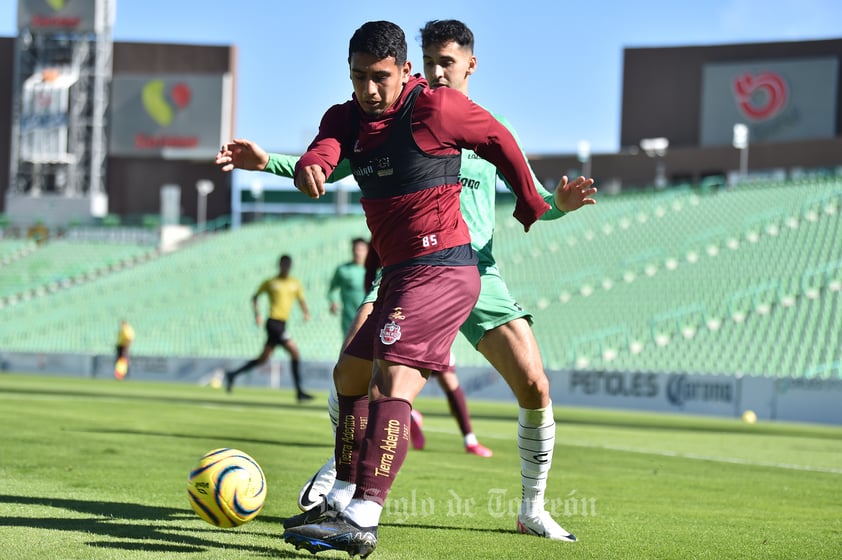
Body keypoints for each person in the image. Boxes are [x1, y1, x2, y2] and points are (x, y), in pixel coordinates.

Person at [216, 19, 595, 556]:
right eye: (358, 77)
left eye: (447, 62)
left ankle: (375, 510)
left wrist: (544, 206)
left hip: (459, 268)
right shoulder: (360, 116)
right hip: (399, 271)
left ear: (467, 65)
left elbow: (508, 155)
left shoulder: (445, 111)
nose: (369, 89)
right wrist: (301, 166)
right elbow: (329, 153)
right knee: (352, 370)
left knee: (454, 381)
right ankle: (345, 485)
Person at [225, 254, 314, 402]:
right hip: (273, 323)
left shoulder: (295, 283)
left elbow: (301, 300)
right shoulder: (271, 282)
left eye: (288, 265)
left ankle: (232, 374)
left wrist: (306, 313)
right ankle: (299, 391)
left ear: (290, 266)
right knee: (294, 352)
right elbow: (255, 297)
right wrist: (257, 314)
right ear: (279, 265)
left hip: (282, 323)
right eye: (283, 264)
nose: (285, 267)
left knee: (262, 359)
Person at [327, 237, 369, 335]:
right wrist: (333, 302)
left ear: (367, 251)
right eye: (355, 249)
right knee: (348, 348)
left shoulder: (375, 271)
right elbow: (331, 290)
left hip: (369, 318)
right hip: (349, 319)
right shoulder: (343, 270)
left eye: (361, 250)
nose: (358, 253)